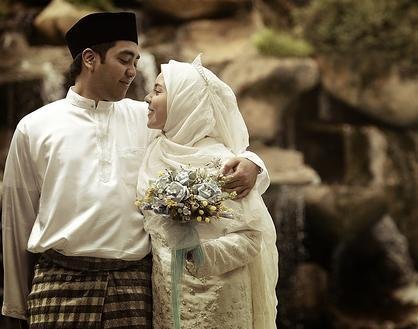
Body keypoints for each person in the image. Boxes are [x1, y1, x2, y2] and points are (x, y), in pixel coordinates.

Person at [1, 12, 269, 329]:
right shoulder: (35, 127)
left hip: (132, 284)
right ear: (89, 59)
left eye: (137, 61)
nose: (133, 72)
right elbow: (16, 221)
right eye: (125, 60)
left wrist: (253, 164)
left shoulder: (148, 119)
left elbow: (207, 138)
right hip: (58, 284)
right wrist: (13, 309)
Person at [137, 57, 278, 329]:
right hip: (166, 294)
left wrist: (198, 254)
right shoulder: (154, 148)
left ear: (184, 101)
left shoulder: (223, 163)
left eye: (157, 91)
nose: (146, 98)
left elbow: (251, 238)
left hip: (219, 298)